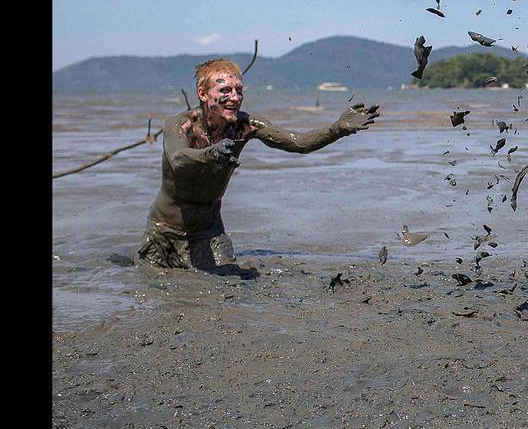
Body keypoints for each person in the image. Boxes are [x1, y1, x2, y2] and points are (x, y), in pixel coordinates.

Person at [137, 58, 380, 270]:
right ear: (203, 93)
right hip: (165, 231)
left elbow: (299, 143)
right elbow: (179, 160)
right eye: (225, 90)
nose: (234, 98)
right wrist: (212, 153)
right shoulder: (181, 124)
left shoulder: (245, 125)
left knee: (227, 281)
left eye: (239, 90)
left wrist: (337, 129)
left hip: (209, 231)